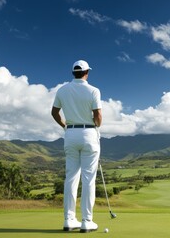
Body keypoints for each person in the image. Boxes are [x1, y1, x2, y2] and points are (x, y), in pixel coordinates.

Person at [51, 60, 102, 233]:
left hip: (70, 134)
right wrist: (96, 126)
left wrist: (65, 126)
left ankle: (68, 219)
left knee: (71, 178)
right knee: (88, 179)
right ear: (87, 72)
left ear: (73, 72)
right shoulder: (93, 90)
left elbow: (54, 113)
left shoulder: (62, 90)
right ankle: (87, 221)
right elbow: (98, 116)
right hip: (89, 134)